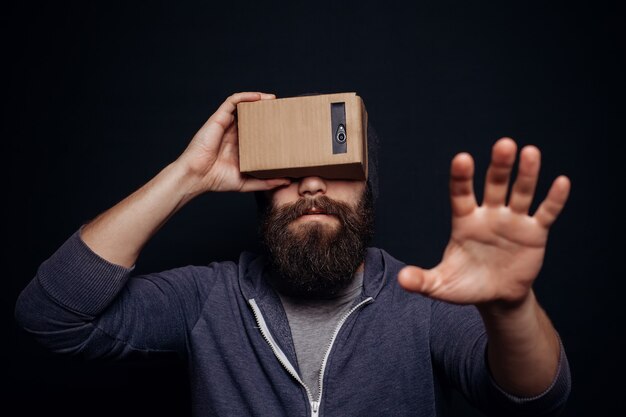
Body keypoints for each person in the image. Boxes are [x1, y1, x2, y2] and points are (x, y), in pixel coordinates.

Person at [15, 92, 572, 417]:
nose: (311, 186)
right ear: (260, 197)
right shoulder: (208, 298)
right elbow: (50, 316)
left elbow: (537, 397)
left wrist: (510, 306)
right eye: (288, 174)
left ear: (367, 193)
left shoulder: (420, 297)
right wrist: (188, 176)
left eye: (335, 171)